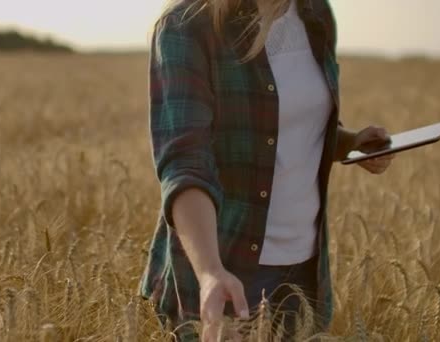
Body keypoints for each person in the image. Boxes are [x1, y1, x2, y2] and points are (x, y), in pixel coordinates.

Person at [138, 0, 395, 340]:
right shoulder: (186, 26)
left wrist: (350, 142)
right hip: (229, 273)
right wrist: (211, 272)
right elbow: (186, 163)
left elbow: (286, 127)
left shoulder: (315, 13)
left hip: (305, 271)